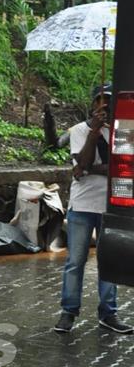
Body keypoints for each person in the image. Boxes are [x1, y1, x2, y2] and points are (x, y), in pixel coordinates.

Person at [55, 81, 132, 334]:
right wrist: (94, 133)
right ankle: (69, 311)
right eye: (100, 99)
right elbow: (83, 161)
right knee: (75, 261)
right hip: (82, 204)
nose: (105, 104)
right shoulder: (78, 130)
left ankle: (108, 313)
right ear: (92, 103)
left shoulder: (122, 131)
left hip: (110, 205)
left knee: (109, 260)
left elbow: (122, 167)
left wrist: (89, 169)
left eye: (109, 100)